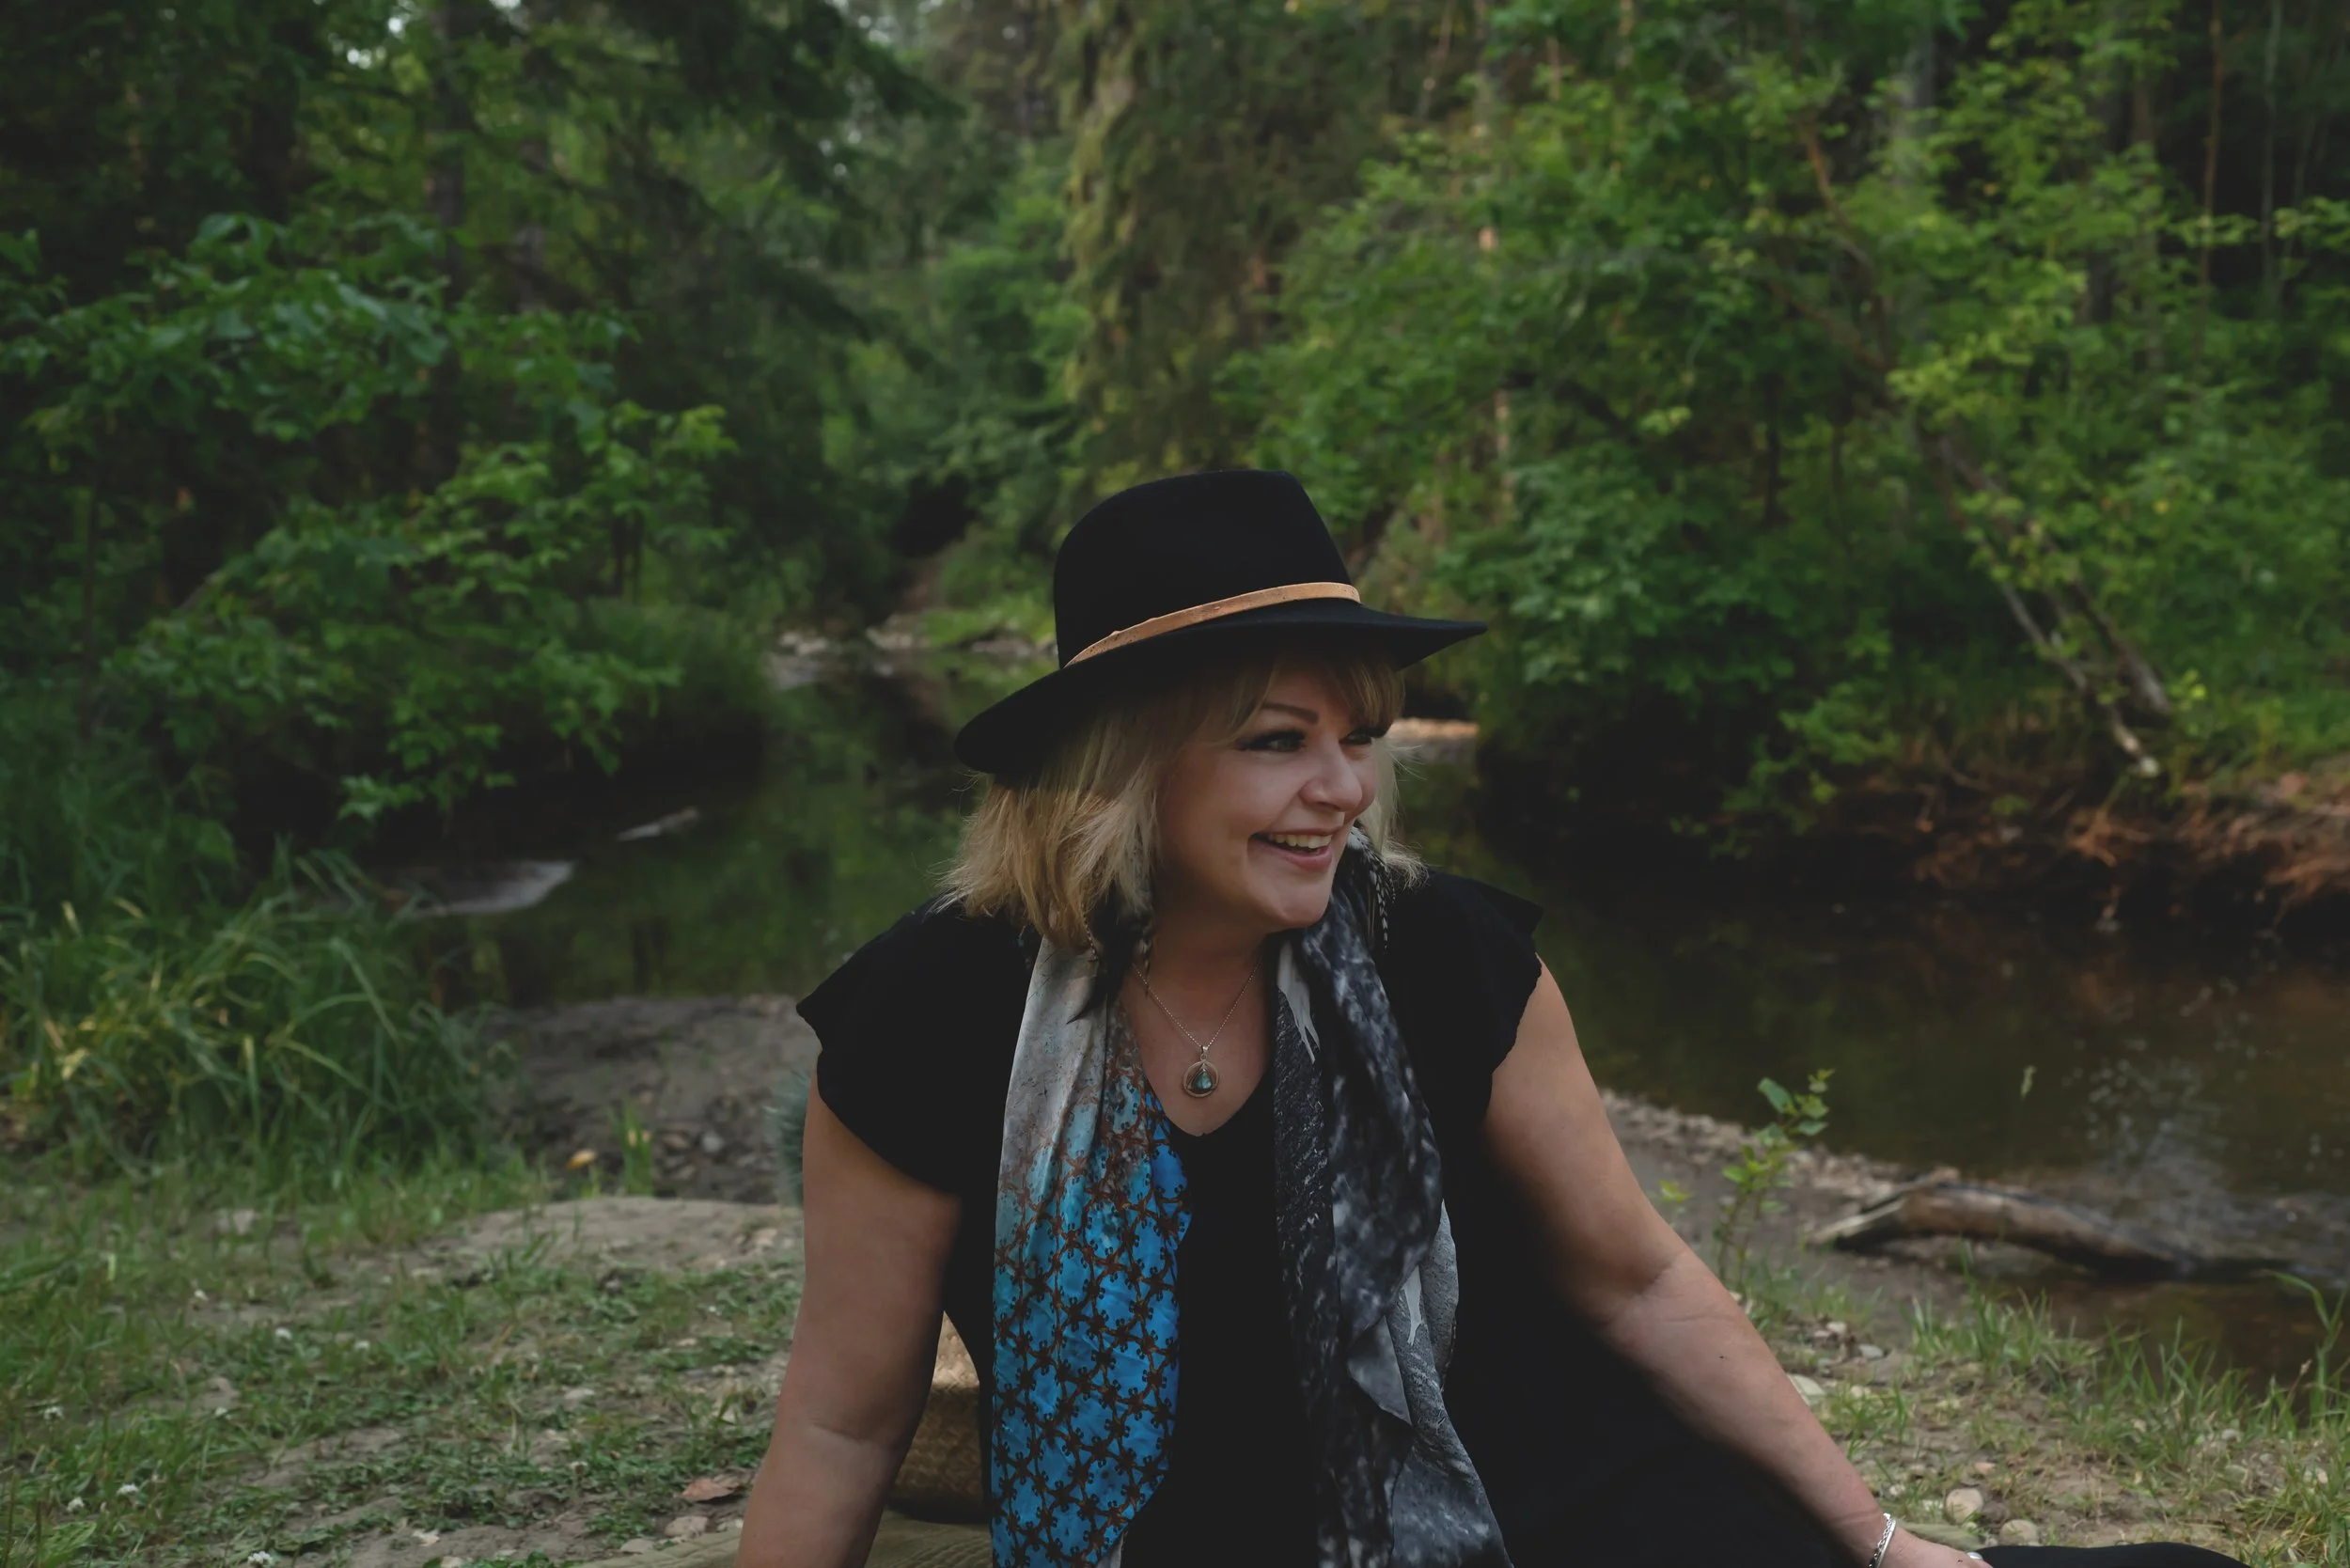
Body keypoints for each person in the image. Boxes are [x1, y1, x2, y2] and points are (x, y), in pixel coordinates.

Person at [737, 471, 2246, 1568]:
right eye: (1279, 742)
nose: (1344, 789)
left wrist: (1884, 1541)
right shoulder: (933, 1014)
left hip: (1566, 1513)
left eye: (1358, 738)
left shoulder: (1441, 952)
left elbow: (1636, 1283)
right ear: (1127, 763)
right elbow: (846, 1424)